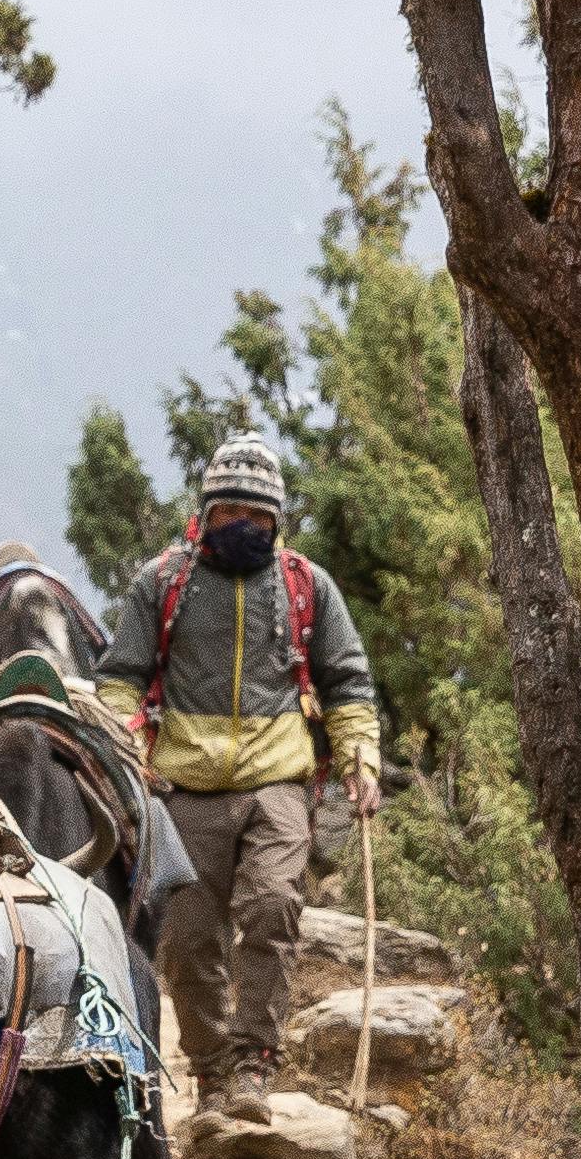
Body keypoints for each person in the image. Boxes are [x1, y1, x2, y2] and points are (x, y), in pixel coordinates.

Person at [92, 434, 378, 1123]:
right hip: (183, 787)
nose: (241, 527)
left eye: (255, 515)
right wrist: (113, 748)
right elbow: (121, 680)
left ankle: (254, 1063)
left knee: (275, 906)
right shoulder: (164, 583)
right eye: (228, 513)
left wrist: (359, 757)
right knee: (187, 944)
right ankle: (212, 1072)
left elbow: (346, 683)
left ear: (277, 521)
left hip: (278, 782)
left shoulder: (306, 586)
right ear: (205, 514)